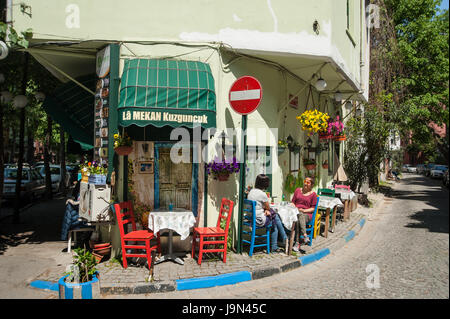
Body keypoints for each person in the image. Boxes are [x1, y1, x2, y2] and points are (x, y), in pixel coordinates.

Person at [247, 174, 288, 252]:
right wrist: (266, 210)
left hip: (251, 217)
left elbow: (260, 206)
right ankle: (282, 240)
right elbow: (268, 207)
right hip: (258, 219)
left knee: (274, 219)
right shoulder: (262, 194)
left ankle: (281, 240)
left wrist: (266, 210)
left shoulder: (251, 192)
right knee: (275, 219)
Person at [290, 176, 318, 252]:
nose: (305, 183)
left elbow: (312, 208)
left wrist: (304, 210)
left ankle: (297, 243)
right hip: (296, 212)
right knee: (299, 217)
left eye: (308, 182)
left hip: (307, 214)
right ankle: (304, 236)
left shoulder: (313, 195)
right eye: (305, 181)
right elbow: (293, 202)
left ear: (312, 185)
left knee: (300, 216)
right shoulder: (297, 190)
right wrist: (293, 206)